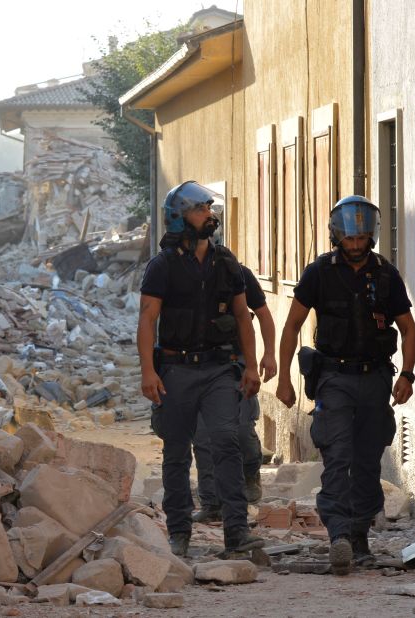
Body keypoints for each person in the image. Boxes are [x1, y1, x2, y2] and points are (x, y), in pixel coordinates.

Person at [275, 195, 415, 575]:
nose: (356, 246)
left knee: (368, 460)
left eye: (362, 239)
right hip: (334, 378)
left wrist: (407, 373)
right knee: (337, 456)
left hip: (375, 380)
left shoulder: (386, 275)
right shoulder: (319, 273)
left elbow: (407, 327)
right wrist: (285, 378)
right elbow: (291, 325)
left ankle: (359, 537)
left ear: (371, 236)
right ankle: (338, 535)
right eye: (349, 239)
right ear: (337, 236)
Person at [138, 180, 263, 557]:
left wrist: (252, 366)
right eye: (200, 209)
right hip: (175, 370)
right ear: (179, 218)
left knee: (226, 442)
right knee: (176, 451)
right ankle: (179, 531)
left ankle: (236, 532)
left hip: (219, 369)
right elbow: (147, 320)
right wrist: (148, 372)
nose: (209, 215)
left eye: (209, 208)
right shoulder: (162, 267)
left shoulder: (227, 263)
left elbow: (244, 317)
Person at [192, 262, 276, 523]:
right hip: (194, 365)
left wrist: (269, 354)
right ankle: (211, 502)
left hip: (233, 362)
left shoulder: (235, 273)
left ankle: (251, 472)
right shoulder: (173, 271)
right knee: (203, 435)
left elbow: (262, 313)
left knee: (240, 428)